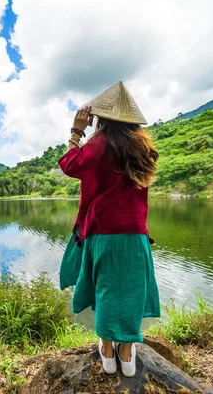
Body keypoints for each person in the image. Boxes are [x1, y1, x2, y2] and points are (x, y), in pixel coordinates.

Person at [58, 81, 161, 378]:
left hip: (103, 231)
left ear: (101, 118)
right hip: (135, 232)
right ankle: (126, 353)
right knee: (132, 288)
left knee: (103, 287)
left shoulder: (99, 143)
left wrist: (77, 132)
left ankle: (107, 350)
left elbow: (70, 164)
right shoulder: (143, 146)